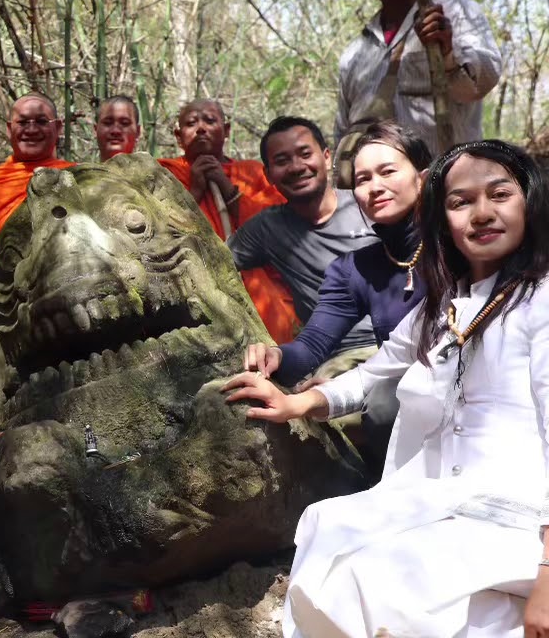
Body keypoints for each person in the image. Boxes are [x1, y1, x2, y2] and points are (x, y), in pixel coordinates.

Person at [224, 140, 549, 637]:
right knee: (329, 530)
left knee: (384, 585)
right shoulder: (445, 302)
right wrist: (298, 402)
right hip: (441, 495)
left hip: (519, 518)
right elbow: (377, 368)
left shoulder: (541, 299)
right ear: (442, 218)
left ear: (529, 200)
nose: (481, 214)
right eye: (461, 202)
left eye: (499, 194)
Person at [245, 120, 432, 387]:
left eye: (388, 172)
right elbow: (313, 343)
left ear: (422, 178)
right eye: (363, 179)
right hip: (389, 387)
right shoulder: (353, 269)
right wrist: (276, 356)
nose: (375, 187)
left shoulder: (458, 245)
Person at [335, 0, 501, 157]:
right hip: (380, 191)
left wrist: (447, 54)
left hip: (444, 184)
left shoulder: (454, 11)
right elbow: (343, 132)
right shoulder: (354, 54)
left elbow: (480, 83)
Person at [228, 116, 380, 355]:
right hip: (330, 357)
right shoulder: (267, 228)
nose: (297, 167)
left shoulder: (369, 205)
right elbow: (213, 261)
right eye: (282, 161)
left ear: (327, 157)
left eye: (305, 154)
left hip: (395, 344)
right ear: (268, 175)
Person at [157, 99, 299, 343]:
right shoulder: (164, 173)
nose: (201, 128)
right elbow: (158, 233)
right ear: (179, 137)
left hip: (261, 288)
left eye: (210, 121)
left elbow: (283, 227)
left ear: (227, 130)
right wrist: (195, 191)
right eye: (191, 123)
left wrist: (228, 189)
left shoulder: (253, 172)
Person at [0, 93, 74, 274]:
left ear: (58, 127)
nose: (31, 129)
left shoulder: (75, 177)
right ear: (8, 128)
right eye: (22, 122)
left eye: (42, 121)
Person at [96, 94, 142, 162]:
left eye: (124, 123)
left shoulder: (158, 171)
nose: (115, 130)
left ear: (137, 132)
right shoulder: (77, 171)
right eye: (107, 123)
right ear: (95, 130)